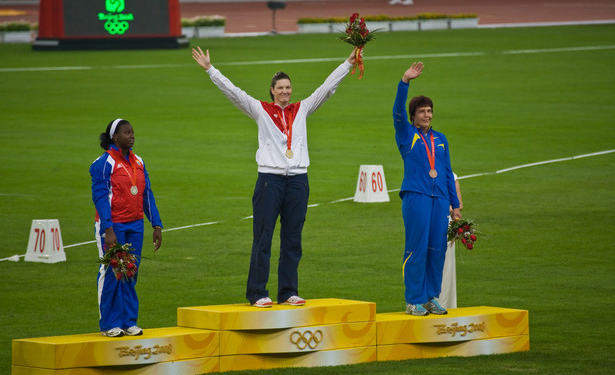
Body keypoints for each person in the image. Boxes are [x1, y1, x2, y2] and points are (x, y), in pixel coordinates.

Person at [192, 46, 358, 308]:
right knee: (263, 237)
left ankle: (288, 291)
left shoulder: (301, 109)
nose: (285, 92)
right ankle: (258, 293)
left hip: (298, 182)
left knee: (293, 239)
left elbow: (326, 89)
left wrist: (348, 63)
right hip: (270, 181)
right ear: (272, 90)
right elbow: (233, 93)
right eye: (280, 88)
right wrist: (211, 70)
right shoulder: (260, 110)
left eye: (288, 88)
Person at [392, 61, 462, 316]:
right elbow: (397, 111)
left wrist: (455, 206)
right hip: (417, 197)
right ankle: (413, 300)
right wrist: (404, 82)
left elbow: (446, 173)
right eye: (422, 111)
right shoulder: (406, 134)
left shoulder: (440, 139)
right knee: (417, 248)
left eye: (430, 111)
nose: (427, 115)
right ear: (413, 116)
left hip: (440, 199)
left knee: (437, 250)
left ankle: (431, 297)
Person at [90, 119, 163, 337]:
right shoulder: (103, 164)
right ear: (115, 137)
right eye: (126, 132)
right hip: (114, 226)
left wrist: (156, 223)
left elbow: (146, 194)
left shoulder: (138, 161)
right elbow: (100, 197)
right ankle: (109, 324)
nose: (131, 136)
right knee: (113, 272)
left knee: (130, 272)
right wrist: (107, 228)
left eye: (132, 132)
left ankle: (128, 321)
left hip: (135, 224)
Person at [438, 173, 463, 310]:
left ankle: (446, 305)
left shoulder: (450, 176)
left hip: (444, 224)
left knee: (446, 268)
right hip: (427, 222)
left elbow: (458, 205)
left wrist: (438, 207)